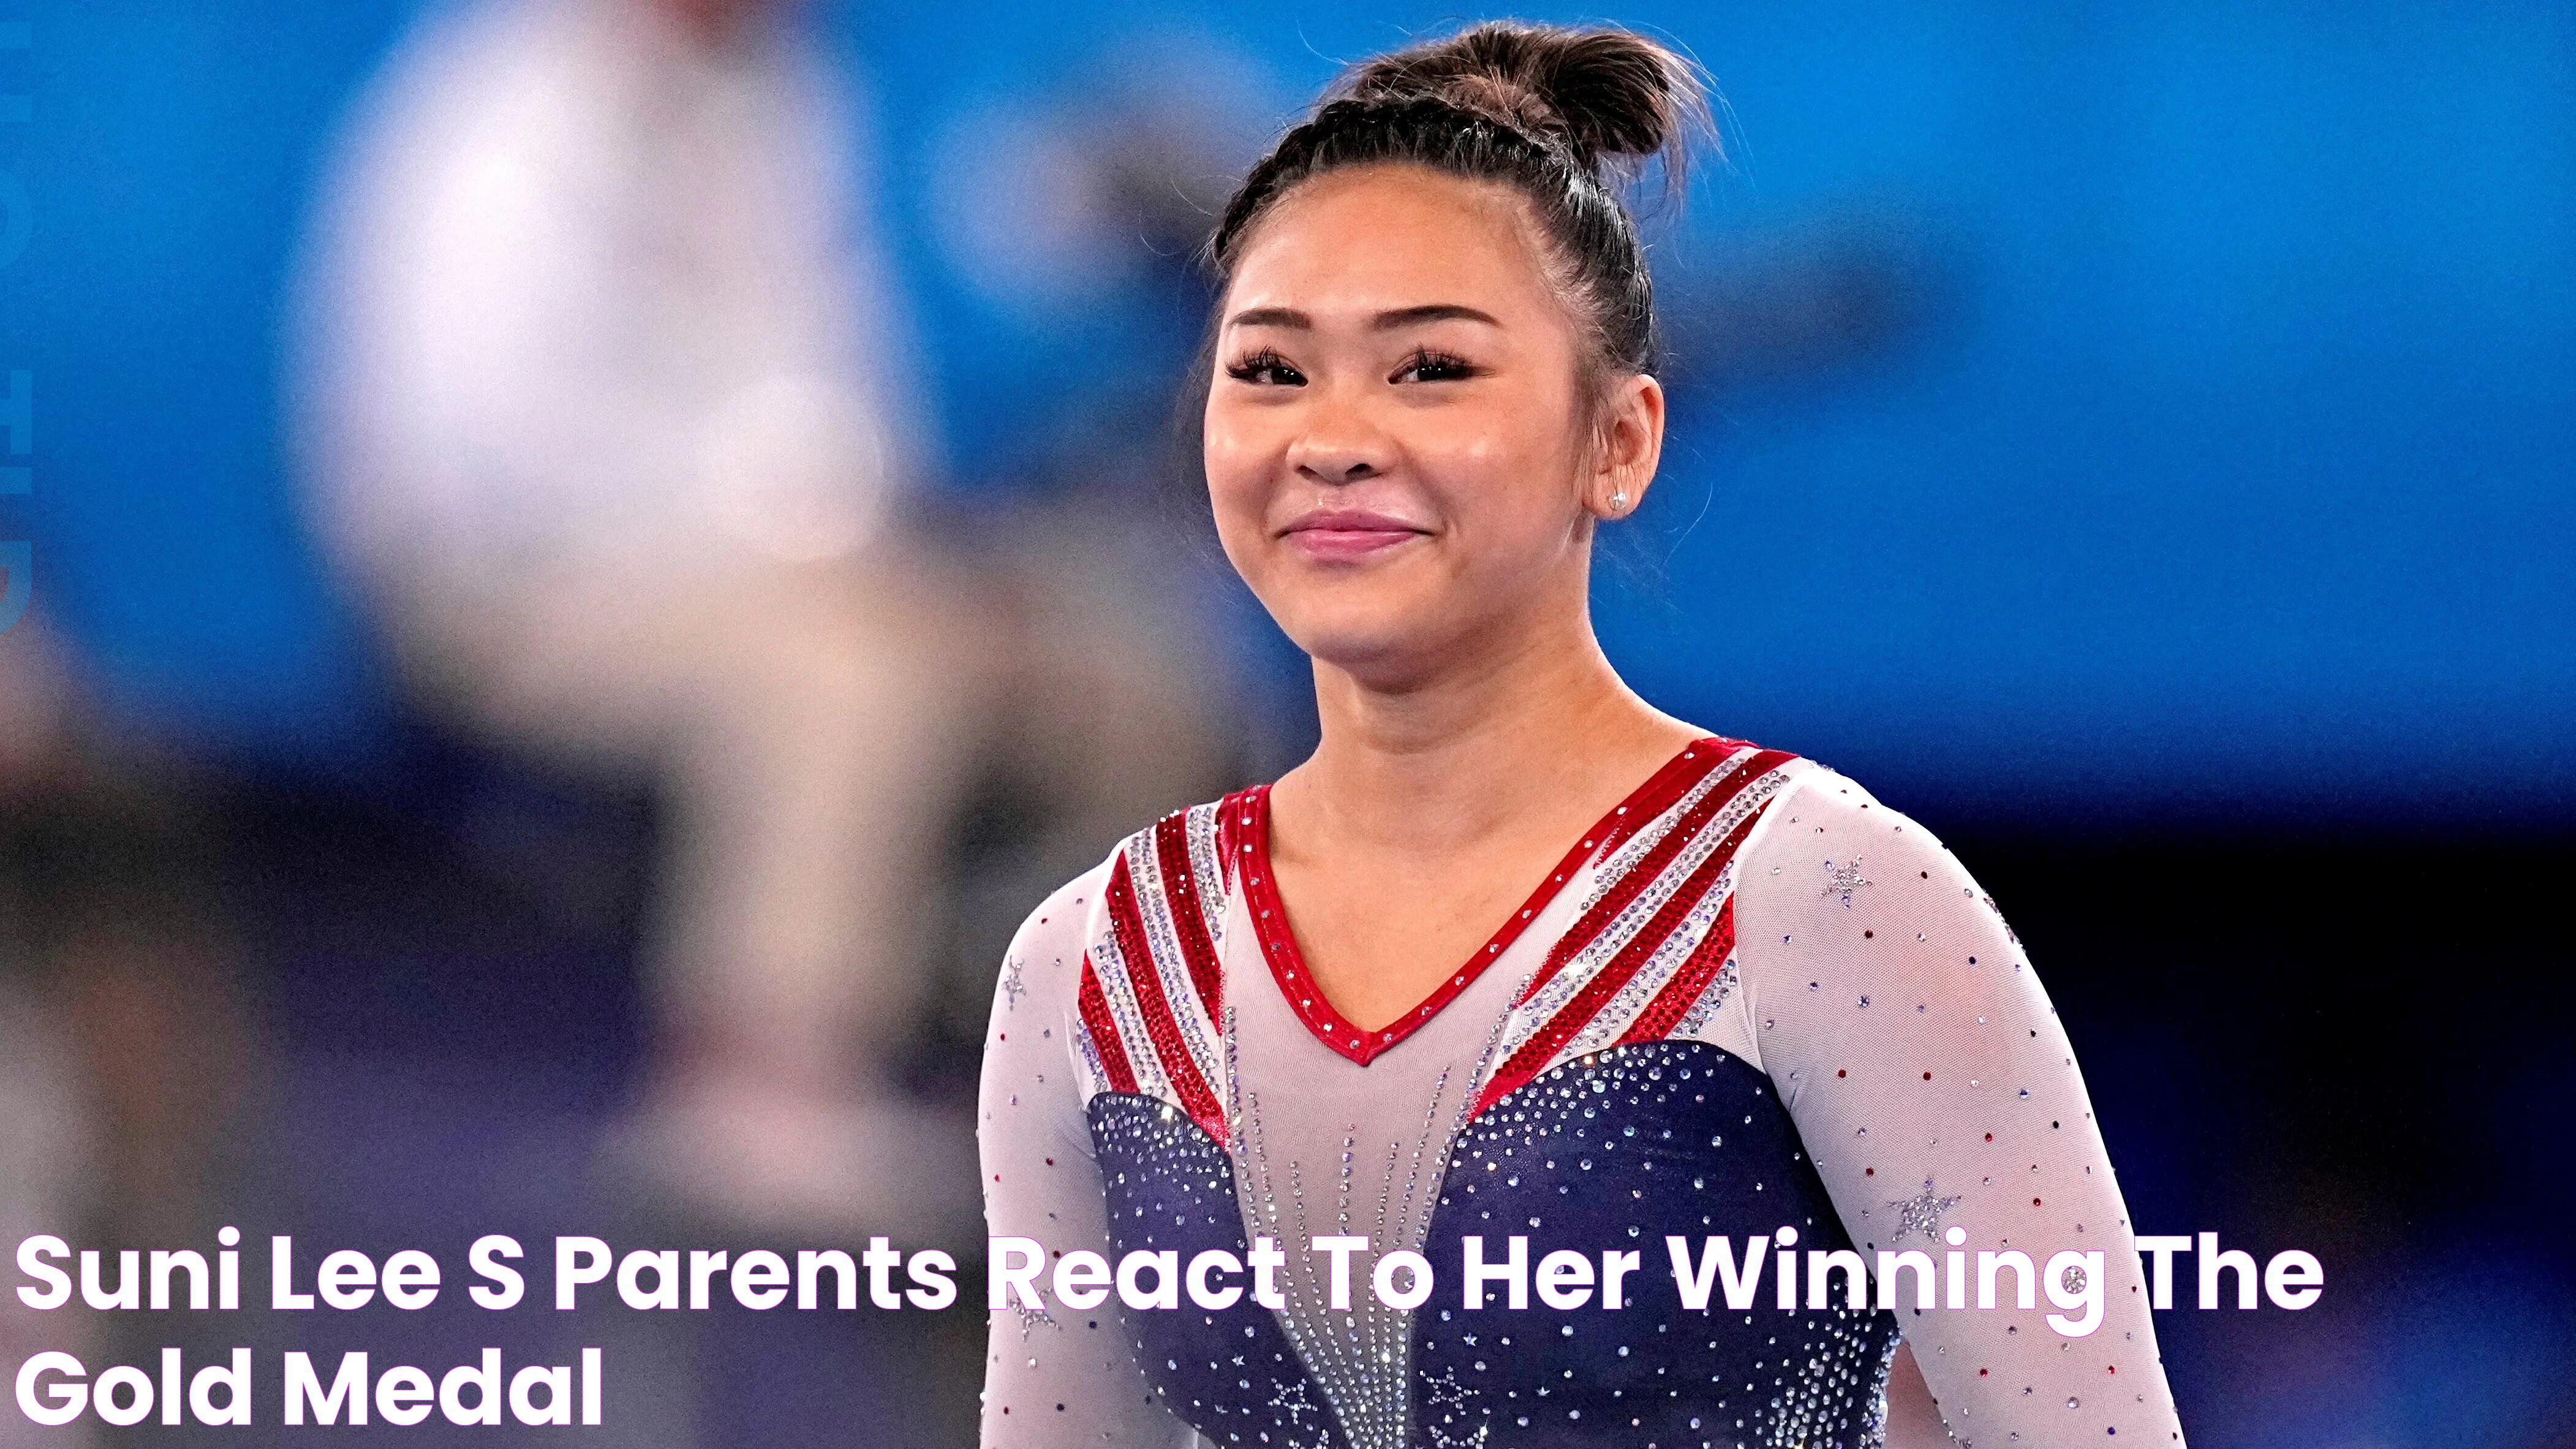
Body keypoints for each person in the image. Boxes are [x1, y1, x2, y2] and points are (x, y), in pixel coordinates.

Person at [976, 21, 2188, 1448]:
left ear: (1618, 441)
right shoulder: (1094, 959)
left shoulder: (1821, 901)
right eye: (1271, 370)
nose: (1334, 436)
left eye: (1432, 368)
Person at [293, 0, 982, 1235]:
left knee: (1083, 655)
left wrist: (872, 528)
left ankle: (1063, 1060)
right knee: (845, 670)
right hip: (506, 587)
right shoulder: (506, 102)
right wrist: (788, 534)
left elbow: (838, 380)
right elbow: (486, 455)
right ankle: (756, 1091)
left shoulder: (784, 92)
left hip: (753, 557)